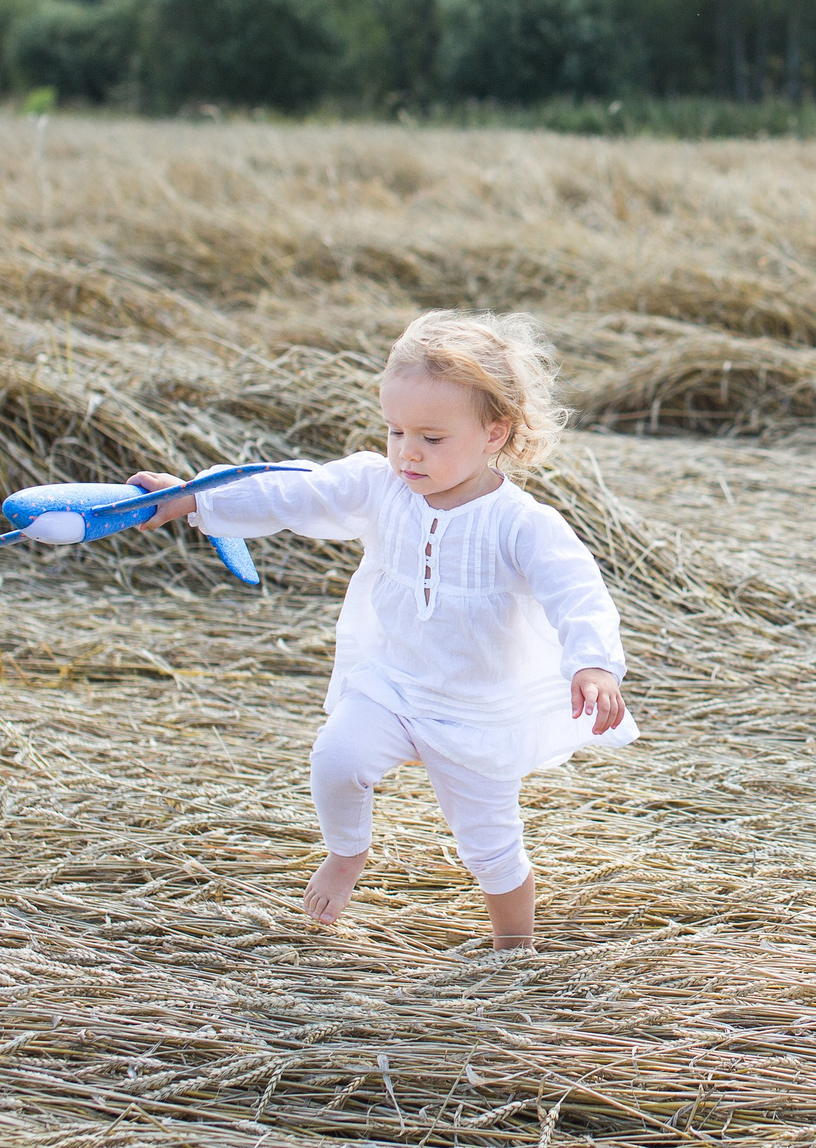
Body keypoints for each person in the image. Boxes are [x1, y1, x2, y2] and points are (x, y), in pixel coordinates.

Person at [129, 310, 635, 948]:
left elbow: (577, 592)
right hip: (392, 684)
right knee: (336, 760)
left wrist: (593, 663)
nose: (407, 453)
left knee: (490, 847)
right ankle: (347, 853)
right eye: (395, 431)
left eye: (431, 437)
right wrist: (195, 499)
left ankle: (514, 948)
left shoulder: (522, 524)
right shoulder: (378, 487)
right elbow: (295, 492)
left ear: (493, 433)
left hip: (475, 711)